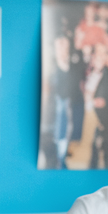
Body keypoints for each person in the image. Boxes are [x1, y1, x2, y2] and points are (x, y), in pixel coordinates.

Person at [45, 34, 83, 169]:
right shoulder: (51, 68)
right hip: (56, 111)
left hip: (72, 107)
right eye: (59, 47)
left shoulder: (75, 66)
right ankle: (58, 158)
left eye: (65, 46)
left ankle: (63, 157)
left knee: (69, 133)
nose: (62, 50)